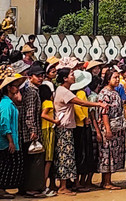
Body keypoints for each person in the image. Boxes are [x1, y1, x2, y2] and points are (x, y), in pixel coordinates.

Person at [52, 67, 106, 196]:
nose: (73, 76)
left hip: (66, 127)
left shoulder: (63, 90)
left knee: (67, 156)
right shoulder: (64, 91)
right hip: (64, 127)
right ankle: (63, 186)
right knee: (65, 156)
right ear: (65, 78)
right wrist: (99, 105)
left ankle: (65, 184)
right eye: (71, 74)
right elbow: (80, 103)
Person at [0, 75, 27, 199]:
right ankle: (1, 189)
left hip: (8, 138)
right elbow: (5, 123)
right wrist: (10, 141)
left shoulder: (9, 103)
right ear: (9, 88)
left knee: (8, 164)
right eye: (15, 86)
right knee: (5, 164)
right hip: (5, 140)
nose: (17, 89)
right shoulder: (6, 104)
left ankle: (3, 188)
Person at [19, 63, 45, 197]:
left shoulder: (33, 90)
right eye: (38, 76)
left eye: (42, 76)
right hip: (29, 133)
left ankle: (28, 187)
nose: (40, 78)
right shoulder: (31, 92)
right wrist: (33, 130)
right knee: (33, 161)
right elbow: (30, 113)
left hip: (28, 131)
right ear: (30, 77)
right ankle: (31, 188)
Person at [98, 69, 126, 190]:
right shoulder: (105, 94)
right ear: (108, 79)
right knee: (107, 154)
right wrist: (108, 129)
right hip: (109, 127)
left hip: (117, 127)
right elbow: (104, 113)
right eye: (114, 77)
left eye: (118, 77)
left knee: (113, 153)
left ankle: (107, 180)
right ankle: (106, 182)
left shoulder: (115, 92)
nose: (117, 79)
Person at [39, 84, 58, 197]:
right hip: (48, 130)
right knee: (48, 159)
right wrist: (55, 121)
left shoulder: (42, 102)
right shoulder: (48, 103)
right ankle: (43, 185)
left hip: (44, 129)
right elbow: (43, 115)